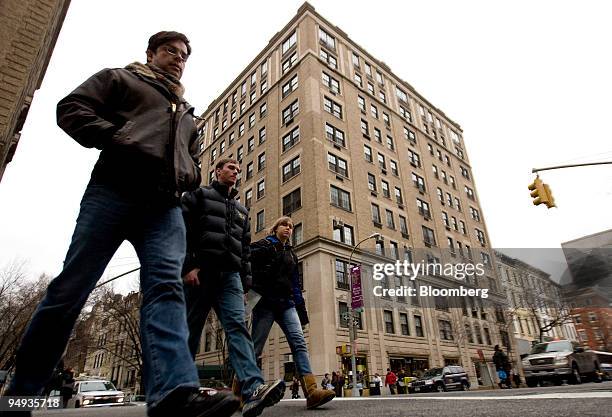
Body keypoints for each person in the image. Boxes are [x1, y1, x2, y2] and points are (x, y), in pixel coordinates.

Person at [0, 31, 240, 417]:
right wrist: (117, 135)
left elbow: (194, 162)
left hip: (164, 208)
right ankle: (20, 396)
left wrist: (190, 176)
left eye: (183, 55)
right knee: (70, 290)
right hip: (113, 192)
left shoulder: (187, 114)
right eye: (170, 52)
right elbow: (72, 107)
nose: (178, 59)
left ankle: (172, 395)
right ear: (151, 53)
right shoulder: (120, 79)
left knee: (166, 288)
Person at [181, 158, 285, 417]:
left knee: (238, 329)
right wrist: (188, 266)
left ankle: (253, 389)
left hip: (230, 279)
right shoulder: (198, 196)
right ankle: (181, 391)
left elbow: (245, 250)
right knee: (190, 331)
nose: (236, 173)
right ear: (217, 171)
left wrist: (245, 280)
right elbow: (181, 231)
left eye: (239, 170)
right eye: (231, 168)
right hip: (201, 273)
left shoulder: (242, 210)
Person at [249, 216, 335, 409]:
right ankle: (239, 394)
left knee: (299, 343)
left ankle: (312, 392)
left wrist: (301, 310)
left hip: (287, 305)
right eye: (284, 225)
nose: (288, 228)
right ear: (275, 228)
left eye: (290, 226)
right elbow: (248, 263)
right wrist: (250, 290)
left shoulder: (292, 254)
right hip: (265, 304)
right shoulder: (264, 245)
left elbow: (296, 285)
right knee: (255, 348)